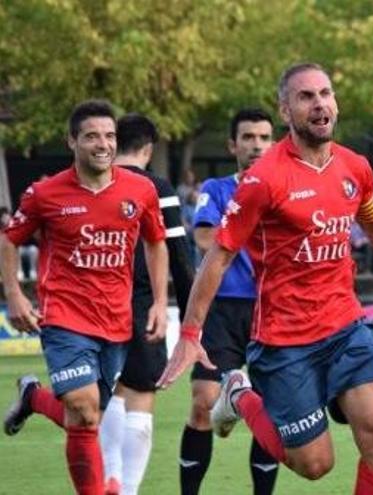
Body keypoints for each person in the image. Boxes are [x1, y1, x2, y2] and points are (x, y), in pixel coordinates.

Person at [157, 63, 373, 494]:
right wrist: (191, 333)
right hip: (284, 340)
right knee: (315, 464)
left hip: (345, 327)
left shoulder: (354, 169)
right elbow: (219, 255)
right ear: (286, 110)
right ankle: (239, 395)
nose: (320, 103)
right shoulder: (265, 179)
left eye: (326, 93)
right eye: (306, 96)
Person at [2, 100, 168, 495]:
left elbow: (155, 242)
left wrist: (161, 302)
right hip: (64, 317)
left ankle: (33, 397)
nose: (103, 144)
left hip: (116, 321)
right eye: (92, 136)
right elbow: (10, 240)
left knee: (86, 416)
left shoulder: (140, 189)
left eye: (109, 135)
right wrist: (14, 294)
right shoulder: (45, 194)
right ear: (72, 141)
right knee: (83, 405)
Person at [177, 108, 278, 495]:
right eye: (248, 137)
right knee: (203, 403)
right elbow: (205, 240)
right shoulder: (217, 189)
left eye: (264, 137)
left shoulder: (286, 188)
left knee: (270, 411)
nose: (257, 145)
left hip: (271, 310)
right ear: (232, 145)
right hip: (222, 309)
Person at [96, 113, 195, 495]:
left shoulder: (91, 181)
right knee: (140, 391)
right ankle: (125, 487)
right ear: (149, 149)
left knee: (105, 394)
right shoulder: (155, 186)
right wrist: (192, 320)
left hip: (90, 302)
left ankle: (111, 478)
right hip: (140, 302)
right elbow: (180, 256)